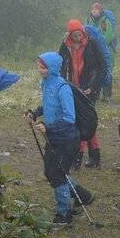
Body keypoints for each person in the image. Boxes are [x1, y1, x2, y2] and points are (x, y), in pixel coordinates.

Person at [26, 52, 94, 227]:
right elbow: (49, 106)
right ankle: (83, 196)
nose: (40, 69)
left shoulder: (63, 88)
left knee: (57, 175)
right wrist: (34, 113)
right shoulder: (46, 83)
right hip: (53, 137)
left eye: (43, 67)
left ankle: (64, 215)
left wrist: (49, 127)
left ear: (53, 68)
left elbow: (69, 117)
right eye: (39, 66)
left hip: (67, 139)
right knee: (51, 172)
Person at [58, 19, 107, 168]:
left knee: (86, 120)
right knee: (80, 121)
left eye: (80, 35)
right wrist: (62, 84)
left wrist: (93, 87)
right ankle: (86, 156)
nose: (78, 38)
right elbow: (60, 65)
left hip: (89, 88)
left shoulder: (91, 43)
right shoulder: (65, 45)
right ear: (70, 35)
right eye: (75, 35)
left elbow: (102, 67)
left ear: (83, 33)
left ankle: (86, 157)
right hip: (73, 87)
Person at [89, 3, 118, 99]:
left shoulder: (106, 21)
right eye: (92, 8)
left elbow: (109, 36)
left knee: (107, 71)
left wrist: (98, 43)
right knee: (94, 71)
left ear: (101, 10)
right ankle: (95, 92)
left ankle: (106, 95)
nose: (94, 10)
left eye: (96, 9)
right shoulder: (89, 19)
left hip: (107, 50)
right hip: (93, 50)